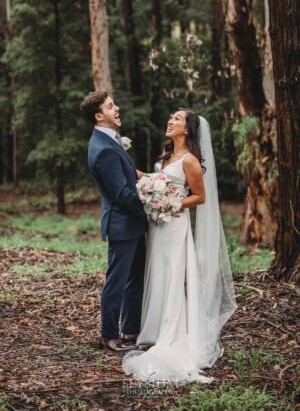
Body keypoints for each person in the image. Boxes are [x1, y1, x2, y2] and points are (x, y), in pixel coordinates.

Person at [123, 109, 236, 383]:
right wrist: (131, 169)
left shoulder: (190, 160)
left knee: (173, 276)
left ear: (187, 129)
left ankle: (171, 334)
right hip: (158, 225)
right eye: (170, 116)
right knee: (158, 272)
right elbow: (156, 180)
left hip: (174, 225)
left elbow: (199, 196)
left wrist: (173, 203)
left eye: (176, 118)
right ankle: (154, 330)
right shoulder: (167, 156)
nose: (170, 120)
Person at [80, 91, 148, 352]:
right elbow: (120, 194)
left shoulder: (110, 141)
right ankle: (109, 335)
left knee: (135, 277)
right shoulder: (103, 149)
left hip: (132, 223)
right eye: (110, 106)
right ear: (99, 116)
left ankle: (131, 329)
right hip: (122, 224)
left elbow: (128, 178)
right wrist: (151, 205)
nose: (117, 108)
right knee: (117, 280)